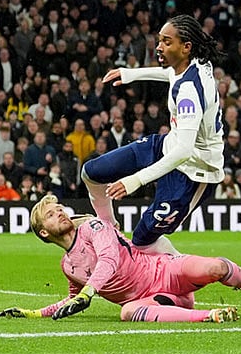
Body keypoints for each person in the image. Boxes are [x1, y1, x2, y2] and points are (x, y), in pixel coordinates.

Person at [0, 194, 241, 323]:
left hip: (166, 272)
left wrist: (88, 293)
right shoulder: (68, 266)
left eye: (59, 208)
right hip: (157, 300)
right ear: (44, 233)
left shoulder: (93, 227)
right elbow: (71, 299)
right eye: (51, 214)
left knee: (217, 267)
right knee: (127, 313)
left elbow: (109, 260)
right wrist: (34, 313)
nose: (60, 211)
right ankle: (207, 316)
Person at [82, 15, 225, 256]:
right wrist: (131, 74)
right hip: (167, 146)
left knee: (142, 242)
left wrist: (135, 180)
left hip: (193, 172)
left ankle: (186, 271)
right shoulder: (195, 64)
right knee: (92, 173)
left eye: (167, 42)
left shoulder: (189, 92)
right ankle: (108, 228)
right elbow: (171, 74)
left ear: (186, 47)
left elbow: (184, 150)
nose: (159, 46)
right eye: (159, 40)